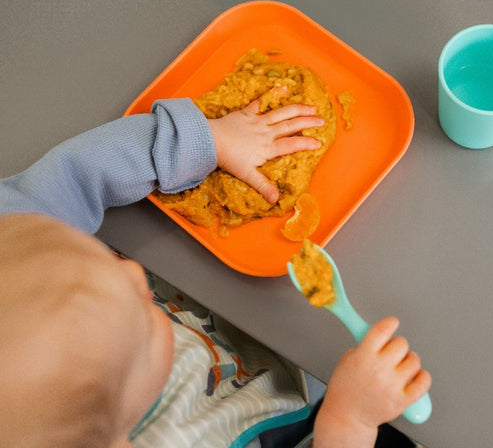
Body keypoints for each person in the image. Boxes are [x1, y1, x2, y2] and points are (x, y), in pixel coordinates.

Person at [0, 97, 432, 448]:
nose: (135, 274)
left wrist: (208, 139)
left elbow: (79, 171)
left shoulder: (12, 248)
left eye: (108, 268)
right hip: (289, 412)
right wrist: (348, 421)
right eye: (142, 320)